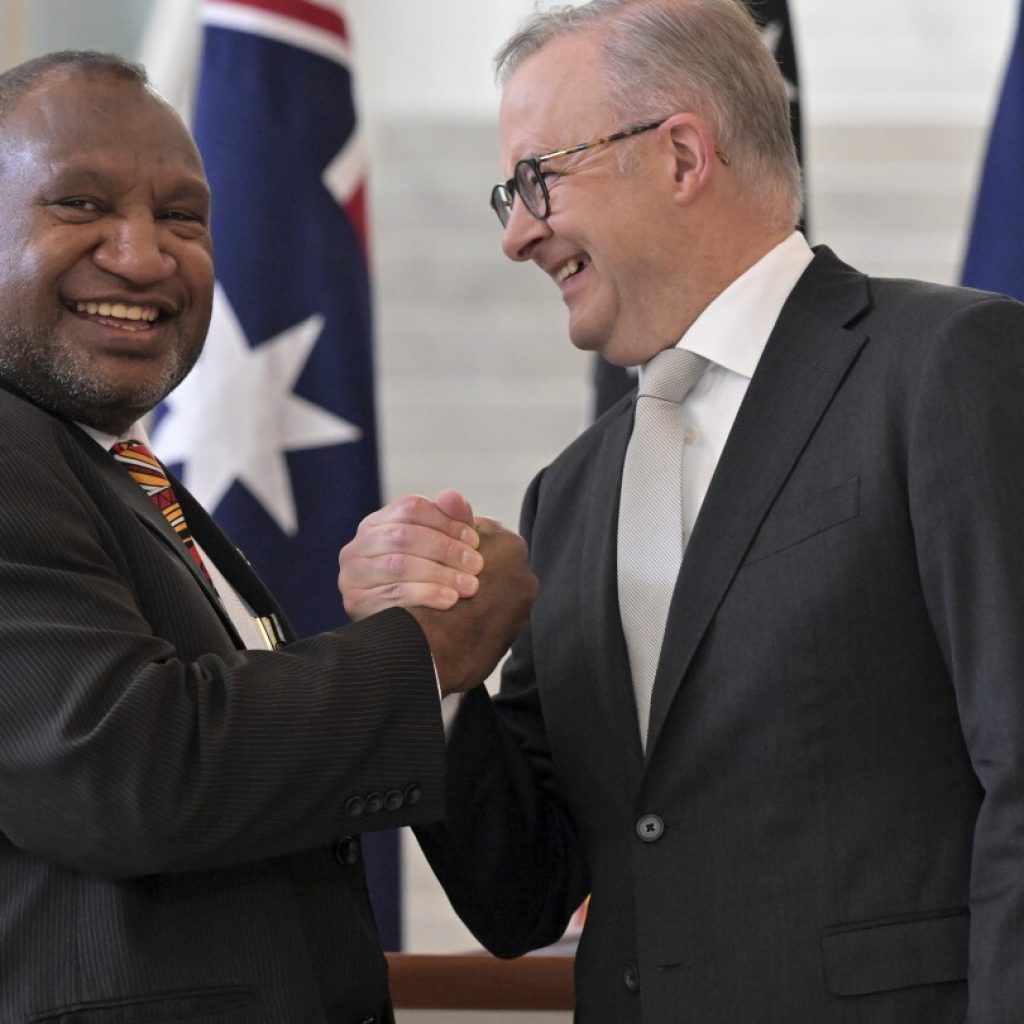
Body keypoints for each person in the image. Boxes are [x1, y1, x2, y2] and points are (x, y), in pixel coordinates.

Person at [338, 1, 1024, 1021]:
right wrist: (434, 671)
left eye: (537, 180)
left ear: (679, 157)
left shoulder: (946, 368)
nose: (518, 235)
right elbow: (523, 891)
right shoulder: (568, 495)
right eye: (507, 196)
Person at [0, 50, 537, 1024]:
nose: (145, 253)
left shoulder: (118, 470)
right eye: (80, 205)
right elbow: (128, 765)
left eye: (183, 217)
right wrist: (431, 649)